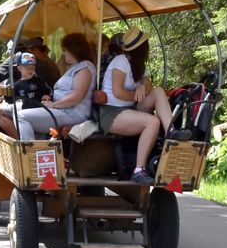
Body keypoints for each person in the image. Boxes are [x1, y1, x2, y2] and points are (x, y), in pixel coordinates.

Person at [99, 30, 176, 184]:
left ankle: (172, 134)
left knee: (159, 92)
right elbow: (118, 92)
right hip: (112, 112)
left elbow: (148, 83)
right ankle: (139, 170)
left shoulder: (138, 64)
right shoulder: (121, 61)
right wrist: (137, 92)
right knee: (152, 121)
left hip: (130, 108)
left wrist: (143, 87)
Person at [15, 32, 96, 140]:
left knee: (20, 116)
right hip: (63, 110)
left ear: (73, 49)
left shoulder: (85, 67)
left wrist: (53, 104)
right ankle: (39, 150)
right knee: (21, 111)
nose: (63, 53)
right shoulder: (76, 67)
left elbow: (78, 96)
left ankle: (30, 152)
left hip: (72, 113)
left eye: (64, 50)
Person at [0, 52, 54, 137]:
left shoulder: (39, 81)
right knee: (18, 117)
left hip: (38, 110)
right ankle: (22, 139)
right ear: (19, 68)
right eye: (27, 68)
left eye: (32, 68)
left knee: (39, 134)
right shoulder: (18, 84)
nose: (30, 70)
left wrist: (47, 96)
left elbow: (48, 90)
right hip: (26, 109)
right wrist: (5, 92)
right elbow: (10, 100)